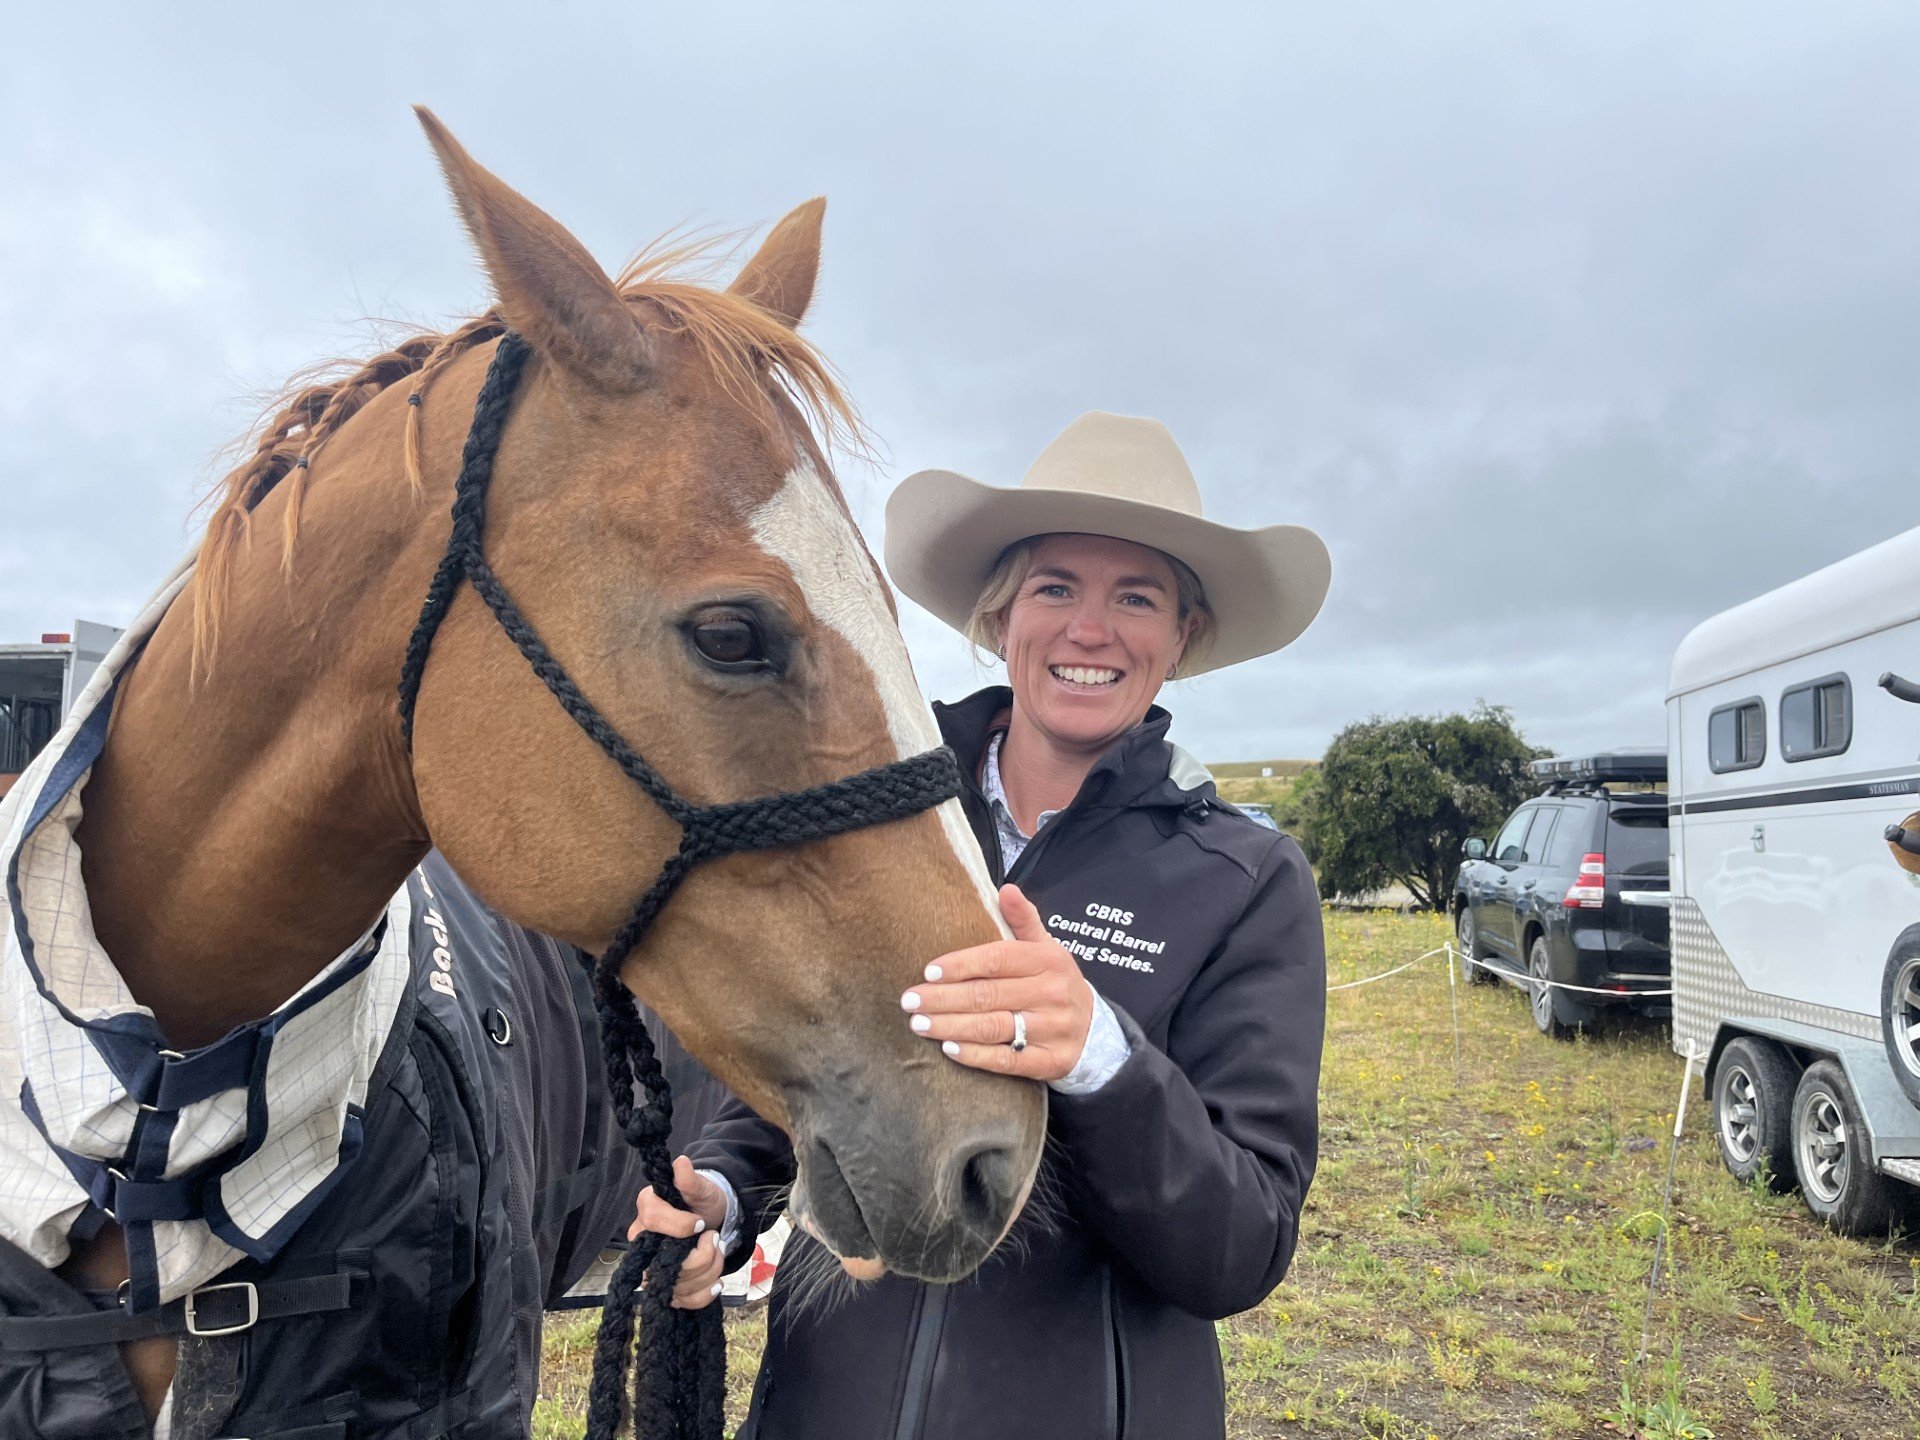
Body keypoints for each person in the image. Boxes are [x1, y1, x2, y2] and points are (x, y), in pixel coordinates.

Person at [632, 411, 1332, 1439]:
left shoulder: (1245, 878)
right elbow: (809, 1061)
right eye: (1056, 588)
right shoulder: (875, 817)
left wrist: (1100, 1060)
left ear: (1181, 637)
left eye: (1136, 597)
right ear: (1002, 615)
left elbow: (1238, 1249)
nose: (1089, 630)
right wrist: (725, 1200)